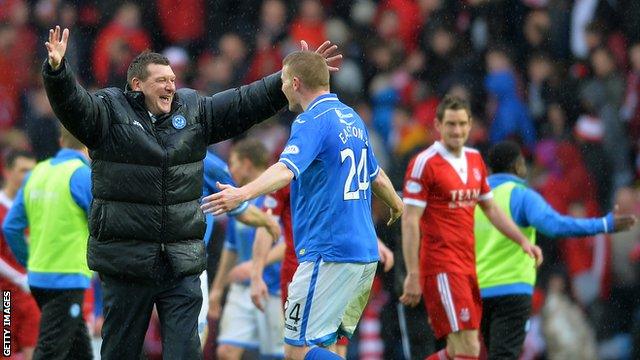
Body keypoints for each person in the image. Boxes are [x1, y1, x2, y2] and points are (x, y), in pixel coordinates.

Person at [41, 26, 340, 359]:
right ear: (137, 85)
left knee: (185, 353)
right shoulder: (108, 112)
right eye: (162, 80)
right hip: (127, 264)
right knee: (119, 353)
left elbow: (244, 103)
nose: (171, 85)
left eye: (172, 79)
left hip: (180, 264)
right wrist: (57, 72)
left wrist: (290, 75)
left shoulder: (193, 110)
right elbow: (73, 106)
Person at [202, 51, 404, 360]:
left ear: (295, 83)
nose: (281, 88)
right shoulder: (352, 117)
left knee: (296, 351)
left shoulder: (311, 120)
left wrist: (241, 194)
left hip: (328, 253)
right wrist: (396, 204)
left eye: (282, 81)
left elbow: (286, 169)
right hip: (363, 254)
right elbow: (376, 176)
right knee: (326, 346)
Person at [399, 95, 543, 360]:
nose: (457, 130)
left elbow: (490, 208)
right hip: (441, 265)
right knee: (470, 348)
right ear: (438, 125)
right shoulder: (424, 163)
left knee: (457, 350)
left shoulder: (476, 160)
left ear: (470, 125)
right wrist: (413, 272)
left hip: (469, 265)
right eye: (451, 124)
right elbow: (409, 219)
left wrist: (522, 241)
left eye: (462, 124)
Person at [474, 140, 637, 359]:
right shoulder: (521, 196)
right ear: (517, 166)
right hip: (512, 291)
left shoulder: (471, 201)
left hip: (478, 294)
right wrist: (603, 224)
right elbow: (555, 225)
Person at [246, 184, 396, 358]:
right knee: (318, 348)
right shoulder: (290, 173)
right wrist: (256, 275)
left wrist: (374, 240)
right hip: (305, 272)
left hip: (329, 268)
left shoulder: (312, 166)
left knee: (303, 350)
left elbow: (349, 210)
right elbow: (267, 222)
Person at [3, 128, 93, 360]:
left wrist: (28, 260)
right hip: (66, 279)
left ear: (61, 140)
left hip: (38, 278)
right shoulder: (82, 174)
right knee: (49, 352)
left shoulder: (38, 171)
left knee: (79, 351)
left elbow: (11, 227)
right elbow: (103, 225)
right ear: (89, 145)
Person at [208, 139, 285, 359]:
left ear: (247, 164)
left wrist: (255, 265)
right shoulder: (237, 198)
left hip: (275, 287)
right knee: (225, 352)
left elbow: (292, 243)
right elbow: (231, 247)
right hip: (242, 287)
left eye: (233, 163)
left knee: (276, 356)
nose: (230, 170)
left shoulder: (278, 194)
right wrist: (217, 289)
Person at [0, 150, 38, 360]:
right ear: (7, 172)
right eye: (23, 170)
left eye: (32, 171)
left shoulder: (35, 207)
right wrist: (18, 277)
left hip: (30, 295)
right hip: (4, 297)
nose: (28, 176)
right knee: (6, 351)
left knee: (33, 351)